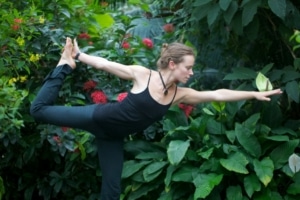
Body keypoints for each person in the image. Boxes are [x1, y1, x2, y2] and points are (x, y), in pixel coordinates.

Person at [30, 37, 282, 200]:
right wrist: (78, 57)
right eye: (188, 67)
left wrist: (253, 94)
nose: (191, 73)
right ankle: (64, 65)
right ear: (172, 64)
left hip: (113, 137)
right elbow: (106, 64)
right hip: (97, 117)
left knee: (112, 192)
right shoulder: (143, 75)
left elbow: (216, 93)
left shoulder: (178, 94)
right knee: (38, 110)